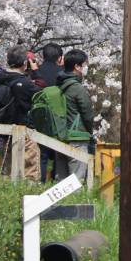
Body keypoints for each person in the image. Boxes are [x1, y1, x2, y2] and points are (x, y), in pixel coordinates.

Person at [0, 45, 41, 181]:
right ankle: (28, 196)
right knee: (29, 169)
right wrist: (36, 73)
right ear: (25, 63)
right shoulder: (25, 84)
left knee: (8, 169)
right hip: (25, 131)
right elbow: (42, 93)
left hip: (5, 130)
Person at [55, 49, 95, 181]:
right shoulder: (77, 88)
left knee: (62, 181)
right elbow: (87, 114)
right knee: (76, 181)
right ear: (77, 66)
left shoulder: (59, 84)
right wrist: (90, 132)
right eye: (83, 65)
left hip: (60, 137)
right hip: (77, 138)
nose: (85, 68)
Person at [32, 43, 64, 181]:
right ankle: (56, 180)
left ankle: (41, 181)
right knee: (57, 152)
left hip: (40, 116)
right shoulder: (62, 73)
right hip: (57, 117)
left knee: (42, 153)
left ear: (43, 55)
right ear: (59, 57)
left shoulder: (36, 72)